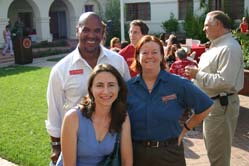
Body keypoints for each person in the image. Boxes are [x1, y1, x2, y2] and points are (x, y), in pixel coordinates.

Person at [46, 12, 131, 165]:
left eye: (97, 30)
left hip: (108, 141)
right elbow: (54, 110)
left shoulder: (118, 62)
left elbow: (126, 97)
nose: (91, 35)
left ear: (103, 33)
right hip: (74, 140)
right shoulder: (61, 69)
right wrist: (56, 146)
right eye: (86, 30)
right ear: (77, 31)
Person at [127, 35, 214, 166]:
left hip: (169, 153)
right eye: (144, 52)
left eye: (155, 52)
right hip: (137, 154)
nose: (149, 56)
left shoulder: (177, 84)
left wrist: (185, 128)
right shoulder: (128, 88)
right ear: (138, 57)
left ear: (162, 56)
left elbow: (206, 106)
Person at [185, 10, 244, 166]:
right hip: (213, 106)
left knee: (218, 157)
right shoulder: (219, 46)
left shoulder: (228, 48)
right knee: (215, 152)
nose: (204, 29)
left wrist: (197, 74)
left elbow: (225, 82)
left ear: (217, 24)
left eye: (206, 25)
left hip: (220, 106)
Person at [56, 64, 133, 166]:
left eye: (111, 85)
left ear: (119, 88)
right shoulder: (73, 118)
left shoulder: (122, 116)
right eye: (99, 85)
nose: (106, 91)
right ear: (91, 89)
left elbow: (126, 161)